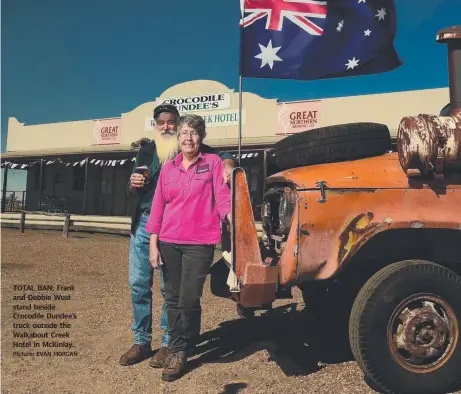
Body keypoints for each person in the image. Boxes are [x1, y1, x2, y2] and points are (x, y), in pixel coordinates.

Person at [119, 104, 236, 368]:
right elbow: (134, 188)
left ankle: (169, 344)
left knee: (169, 289)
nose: (166, 127)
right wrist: (131, 185)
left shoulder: (195, 149)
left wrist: (229, 165)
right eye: (161, 122)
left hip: (178, 227)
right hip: (145, 223)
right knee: (138, 283)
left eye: (171, 122)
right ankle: (141, 341)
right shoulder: (146, 150)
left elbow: (223, 157)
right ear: (155, 125)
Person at [146, 114, 231, 381]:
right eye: (183, 132)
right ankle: (179, 347)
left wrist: (232, 219)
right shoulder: (168, 168)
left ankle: (183, 347)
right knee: (171, 298)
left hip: (200, 242)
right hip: (169, 240)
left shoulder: (213, 163)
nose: (188, 137)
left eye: (194, 133)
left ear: (201, 137)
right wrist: (153, 243)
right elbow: (158, 206)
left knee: (188, 298)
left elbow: (223, 197)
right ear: (178, 137)